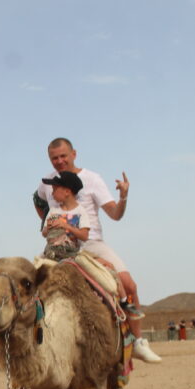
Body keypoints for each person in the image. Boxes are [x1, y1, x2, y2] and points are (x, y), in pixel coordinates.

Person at [34, 137, 160, 363]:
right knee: (27, 286)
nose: (60, 161)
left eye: (64, 156)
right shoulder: (47, 183)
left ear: (74, 154)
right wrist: (47, 222)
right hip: (57, 246)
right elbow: (37, 199)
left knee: (128, 285)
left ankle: (138, 341)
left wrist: (123, 196)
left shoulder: (92, 179)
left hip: (91, 242)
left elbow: (115, 214)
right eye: (54, 158)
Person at [40, 170, 144, 318]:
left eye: (55, 189)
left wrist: (66, 226)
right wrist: (48, 228)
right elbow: (44, 232)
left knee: (107, 268)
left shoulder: (81, 212)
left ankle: (123, 302)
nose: (52, 193)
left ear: (67, 191)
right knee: (30, 274)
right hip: (50, 253)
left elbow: (84, 235)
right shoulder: (53, 211)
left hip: (73, 254)